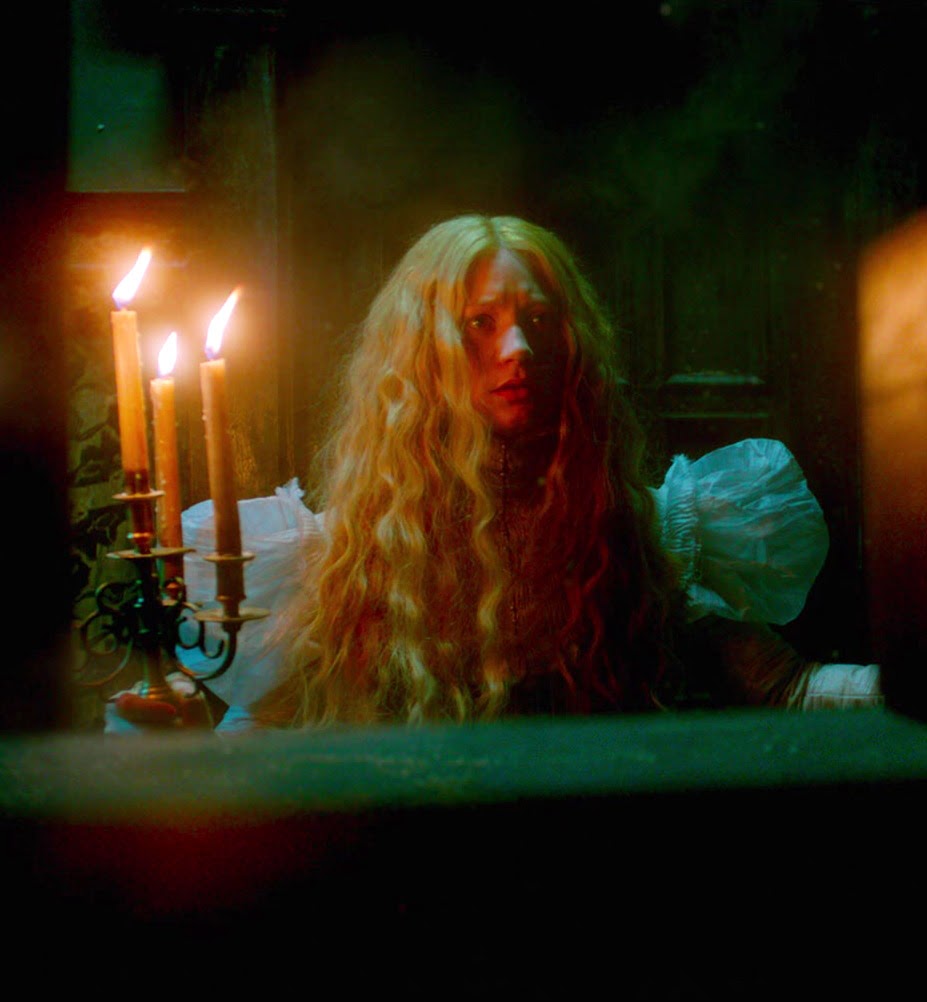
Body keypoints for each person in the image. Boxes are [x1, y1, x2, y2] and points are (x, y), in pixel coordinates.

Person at [177, 214, 881, 732]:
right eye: (479, 323)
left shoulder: (645, 531)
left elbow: (788, 691)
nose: (517, 347)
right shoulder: (347, 556)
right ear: (421, 353)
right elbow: (254, 732)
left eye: (539, 321)